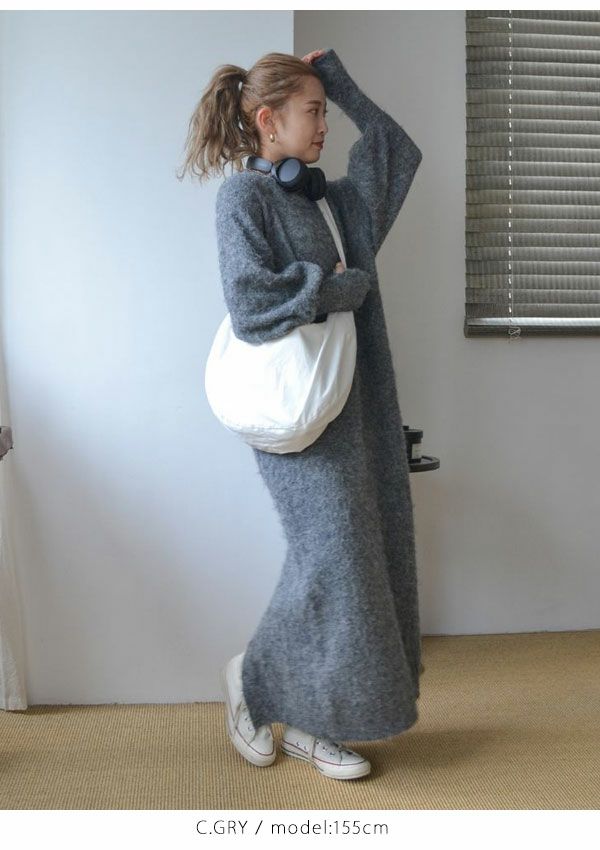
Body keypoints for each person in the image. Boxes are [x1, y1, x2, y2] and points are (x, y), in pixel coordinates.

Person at [178, 47, 423, 782]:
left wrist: (339, 83)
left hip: (355, 401)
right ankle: (252, 681)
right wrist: (334, 288)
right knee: (333, 557)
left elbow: (396, 150)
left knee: (359, 560)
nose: (323, 125)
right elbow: (251, 302)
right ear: (267, 119)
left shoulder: (334, 201)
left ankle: (319, 723)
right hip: (295, 413)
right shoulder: (242, 200)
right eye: (313, 111)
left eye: (323, 110)